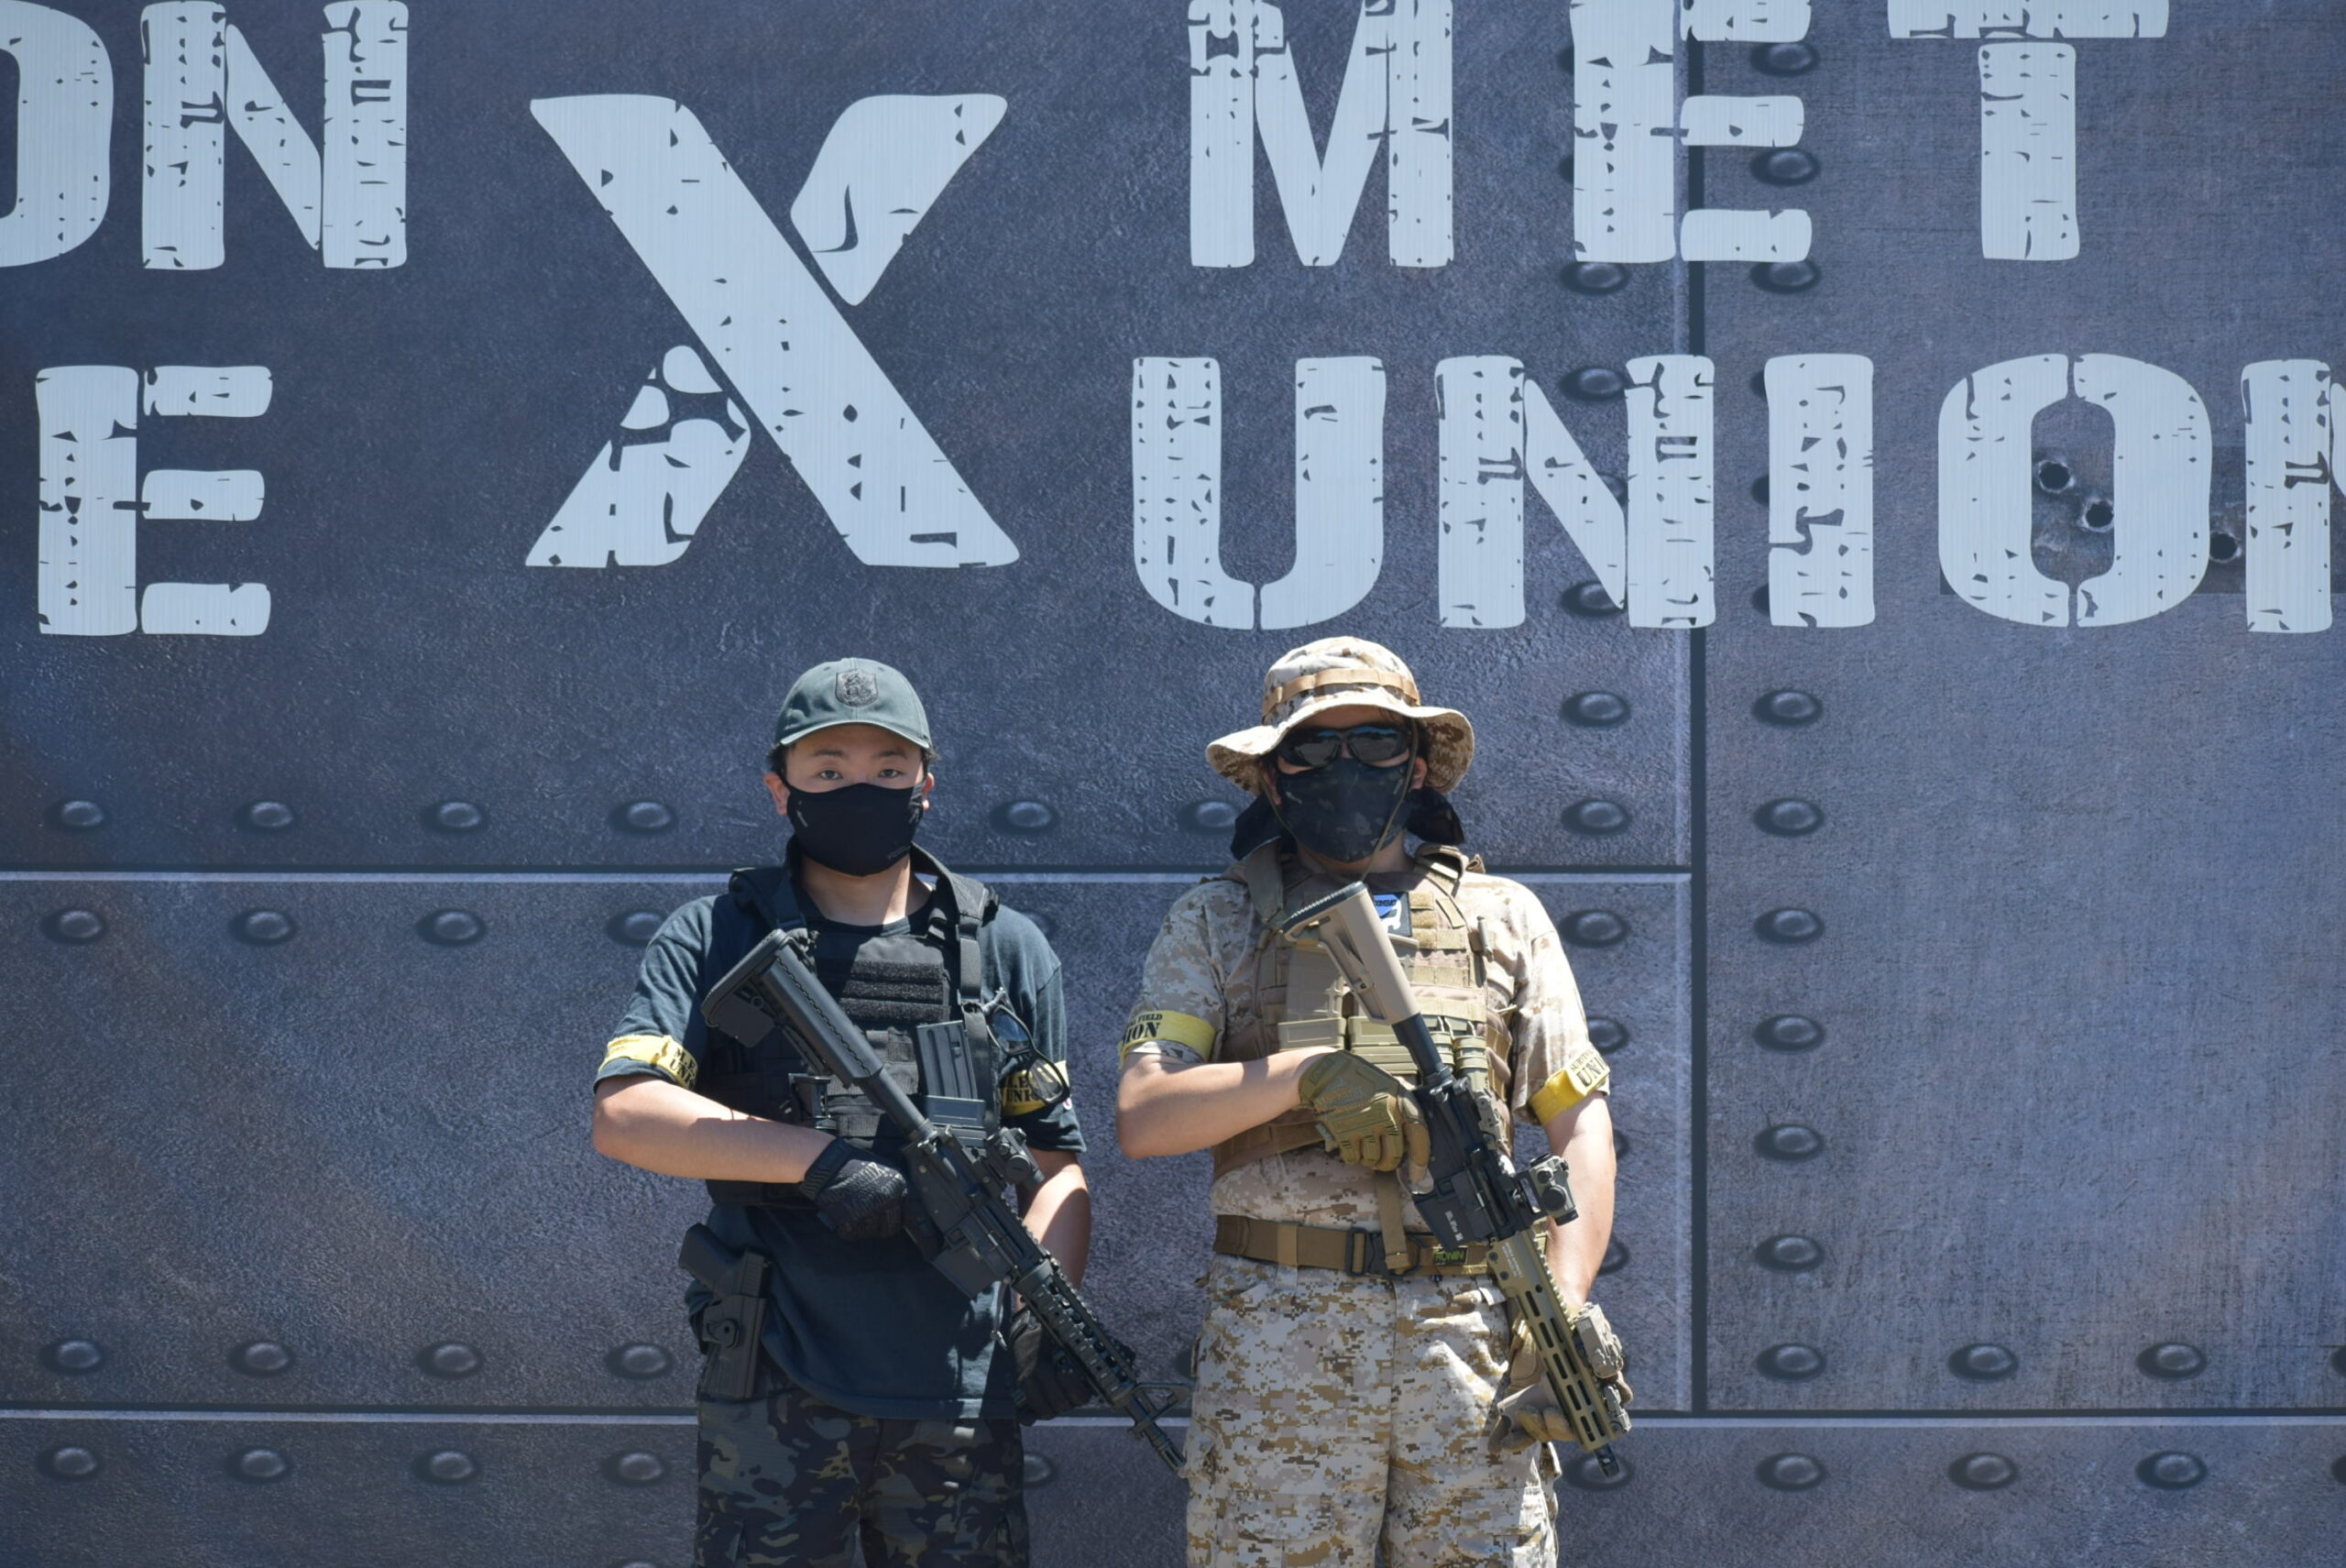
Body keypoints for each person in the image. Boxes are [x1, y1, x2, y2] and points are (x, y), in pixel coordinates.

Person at [1116, 637, 1621, 1568]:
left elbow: (1578, 1123)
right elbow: (1146, 1115)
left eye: (1376, 742)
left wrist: (1564, 1296)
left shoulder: (1500, 917)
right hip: (1280, 1341)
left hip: (1470, 1336)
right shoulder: (1218, 920)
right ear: (1273, 777)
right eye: (1312, 748)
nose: (1344, 767)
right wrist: (1304, 1075)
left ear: (1417, 764)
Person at [590, 657, 1091, 1568]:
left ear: (926, 783)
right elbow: (626, 1112)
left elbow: (1057, 1165)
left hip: (958, 1390)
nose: (861, 786)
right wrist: (817, 1162)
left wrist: (1043, 1309)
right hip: (780, 1378)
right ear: (779, 787)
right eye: (829, 768)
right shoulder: (715, 934)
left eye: (888, 768)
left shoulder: (1004, 948)